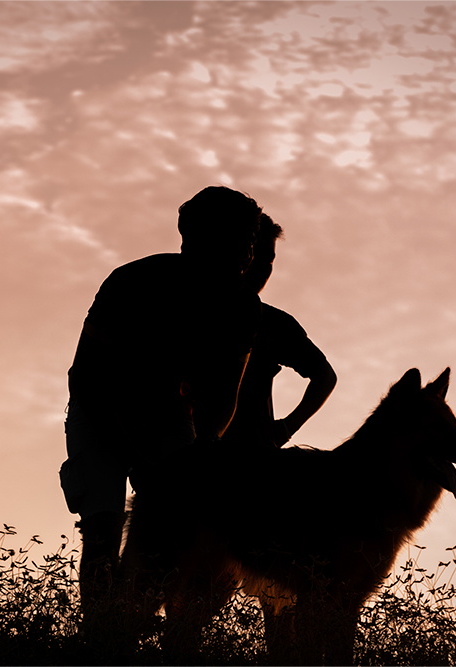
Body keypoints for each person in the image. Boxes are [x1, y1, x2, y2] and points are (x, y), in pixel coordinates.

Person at [59, 186, 263, 631]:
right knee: (103, 528)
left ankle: (174, 634)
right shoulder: (131, 282)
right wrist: (143, 459)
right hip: (99, 412)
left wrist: (204, 450)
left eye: (252, 237)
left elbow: (225, 395)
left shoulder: (244, 307)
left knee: (185, 531)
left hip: (168, 413)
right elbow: (90, 380)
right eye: (241, 236)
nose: (250, 249)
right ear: (200, 238)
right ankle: (101, 640)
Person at [221, 213, 337, 451]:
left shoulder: (275, 323)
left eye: (269, 260)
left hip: (255, 460)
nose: (263, 268)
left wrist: (286, 428)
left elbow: (325, 376)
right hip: (193, 456)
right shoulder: (191, 310)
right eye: (256, 256)